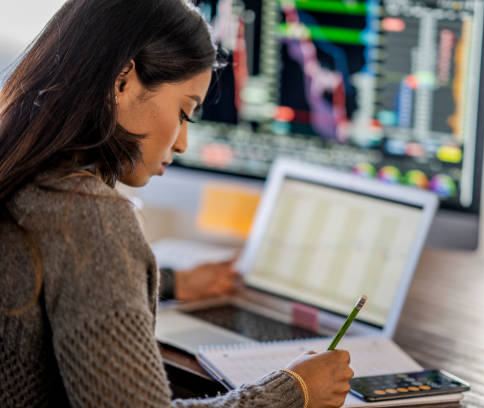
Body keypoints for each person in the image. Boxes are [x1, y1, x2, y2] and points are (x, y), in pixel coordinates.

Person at [0, 1, 354, 407]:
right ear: (123, 82)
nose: (182, 142)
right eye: (185, 112)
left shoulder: (20, 174)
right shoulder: (89, 217)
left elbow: (51, 275)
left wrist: (171, 283)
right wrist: (295, 389)